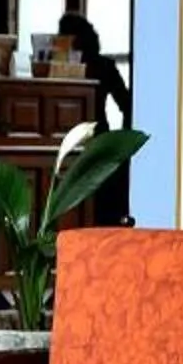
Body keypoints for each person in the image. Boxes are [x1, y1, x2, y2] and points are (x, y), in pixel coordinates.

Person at [50, 12, 133, 226]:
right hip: (97, 135)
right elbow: (127, 105)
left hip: (75, 136)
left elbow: (126, 104)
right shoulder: (104, 65)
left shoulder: (64, 68)